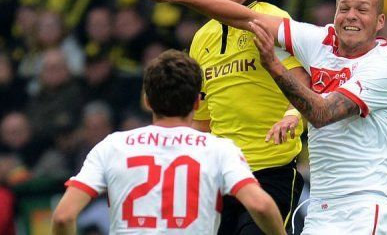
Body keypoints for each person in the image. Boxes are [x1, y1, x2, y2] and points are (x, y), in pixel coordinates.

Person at [133, 0, 387, 234]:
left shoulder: (383, 67)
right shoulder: (320, 41)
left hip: (365, 207)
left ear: (380, 21)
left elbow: (321, 114)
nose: (351, 16)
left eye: (362, 10)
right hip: (321, 210)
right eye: (344, 8)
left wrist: (275, 67)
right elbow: (247, 18)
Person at [139, 0, 307, 235]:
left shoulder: (272, 20)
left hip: (271, 170)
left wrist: (292, 115)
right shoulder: (202, 38)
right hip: (221, 175)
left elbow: (302, 82)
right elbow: (203, 117)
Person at [51, 49, 286, 235]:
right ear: (197, 102)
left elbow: (63, 216)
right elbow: (261, 206)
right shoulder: (220, 149)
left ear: (147, 101)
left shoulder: (111, 146)